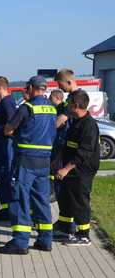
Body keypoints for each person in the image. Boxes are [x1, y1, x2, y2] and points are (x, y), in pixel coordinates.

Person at [0, 76, 57, 254]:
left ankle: (20, 242)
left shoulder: (27, 107)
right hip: (44, 160)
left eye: (26, 88)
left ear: (31, 88)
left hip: (25, 160)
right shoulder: (52, 108)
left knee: (20, 198)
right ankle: (45, 239)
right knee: (41, 199)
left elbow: (9, 129)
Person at [54, 90, 100, 245]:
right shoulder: (76, 122)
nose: (67, 107)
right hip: (71, 170)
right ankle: (65, 229)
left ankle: (84, 235)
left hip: (82, 171)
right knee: (67, 199)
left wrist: (66, 169)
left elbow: (84, 152)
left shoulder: (89, 125)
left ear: (76, 105)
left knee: (80, 201)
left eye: (70, 104)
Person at [0, 76, 17, 221]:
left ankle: (10, 211)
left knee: (6, 176)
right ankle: (5, 209)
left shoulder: (7, 102)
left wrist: (4, 132)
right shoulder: (3, 103)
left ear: (0, 87)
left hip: (5, 145)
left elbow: (13, 122)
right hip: (0, 144)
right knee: (1, 178)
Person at [49, 89, 66, 202]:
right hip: (56, 140)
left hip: (60, 141)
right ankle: (52, 190)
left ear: (57, 98)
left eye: (51, 98)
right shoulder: (57, 108)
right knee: (52, 166)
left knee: (56, 166)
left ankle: (55, 192)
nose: (50, 100)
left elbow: (60, 123)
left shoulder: (63, 108)